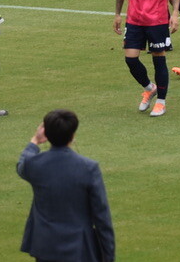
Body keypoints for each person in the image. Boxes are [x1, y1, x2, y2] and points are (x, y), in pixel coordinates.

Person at [17, 109, 116, 262]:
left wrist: (34, 141)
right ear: (73, 135)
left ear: (46, 134)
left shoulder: (35, 164)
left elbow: (22, 165)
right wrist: (108, 256)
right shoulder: (88, 168)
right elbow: (102, 217)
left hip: (45, 246)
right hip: (78, 248)